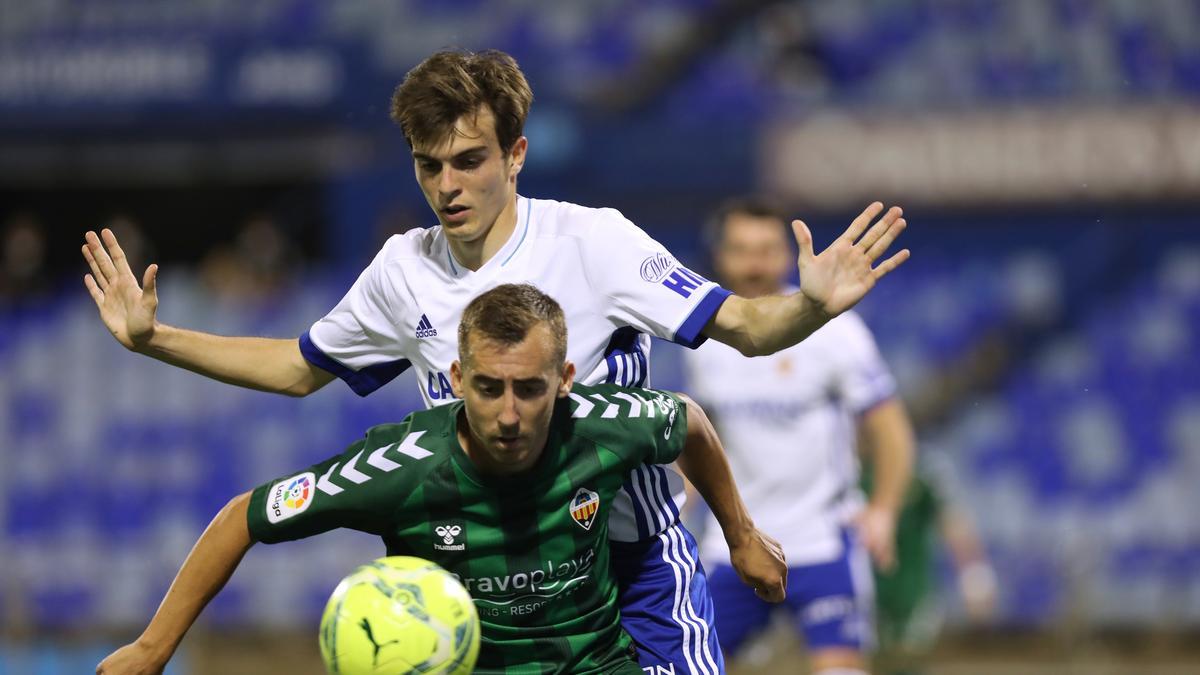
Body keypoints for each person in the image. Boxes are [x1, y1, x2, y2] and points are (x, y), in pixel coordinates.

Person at [81, 49, 909, 673]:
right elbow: (300, 367)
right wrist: (159, 339)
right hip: (486, 579)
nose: (448, 185)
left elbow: (743, 327)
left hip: (636, 565)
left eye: (469, 160)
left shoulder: (595, 242)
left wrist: (807, 306)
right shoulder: (403, 269)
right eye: (428, 164)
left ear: (514, 155)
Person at [96, 284, 784, 675]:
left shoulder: (603, 425)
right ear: (456, 379)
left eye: (529, 389)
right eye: (487, 387)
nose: (508, 413)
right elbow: (245, 516)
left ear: (565, 382)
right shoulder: (398, 469)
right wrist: (153, 648)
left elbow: (687, 420)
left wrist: (742, 534)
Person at [683, 199, 916, 675]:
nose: (754, 263)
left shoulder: (835, 330)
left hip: (822, 543)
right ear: (720, 257)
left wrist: (884, 511)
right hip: (734, 545)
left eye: (766, 249)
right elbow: (704, 439)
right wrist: (674, 507)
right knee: (690, 665)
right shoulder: (704, 341)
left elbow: (889, 426)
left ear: (787, 257)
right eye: (741, 249)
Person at [862, 458, 996, 675]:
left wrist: (976, 580)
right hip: (864, 591)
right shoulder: (847, 464)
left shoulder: (926, 470)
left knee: (904, 662)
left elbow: (954, 526)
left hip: (911, 591)